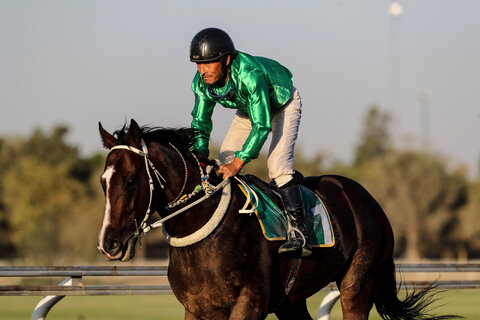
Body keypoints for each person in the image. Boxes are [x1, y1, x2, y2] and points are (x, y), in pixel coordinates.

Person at [189, 27, 312, 258]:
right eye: (198, 64)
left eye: (208, 63)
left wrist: (239, 162)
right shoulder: (201, 83)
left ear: (226, 59)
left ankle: (300, 233)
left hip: (282, 103)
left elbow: (262, 124)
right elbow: (201, 121)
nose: (202, 71)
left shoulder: (249, 73)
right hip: (249, 110)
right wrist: (199, 154)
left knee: (277, 165)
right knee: (224, 162)